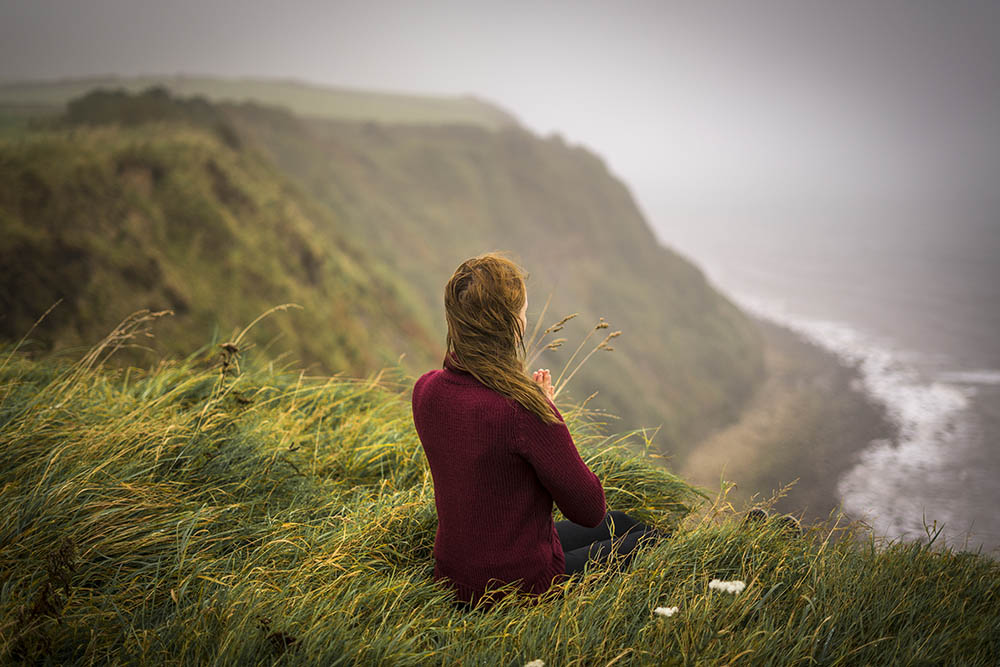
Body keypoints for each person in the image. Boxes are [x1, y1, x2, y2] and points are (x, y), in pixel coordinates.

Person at [411, 253, 661, 607]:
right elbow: (588, 509)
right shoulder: (521, 411)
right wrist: (546, 410)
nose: (527, 318)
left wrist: (533, 406)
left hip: (453, 577)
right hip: (520, 587)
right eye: (524, 312)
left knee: (619, 523)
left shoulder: (426, 390)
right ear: (510, 324)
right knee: (650, 540)